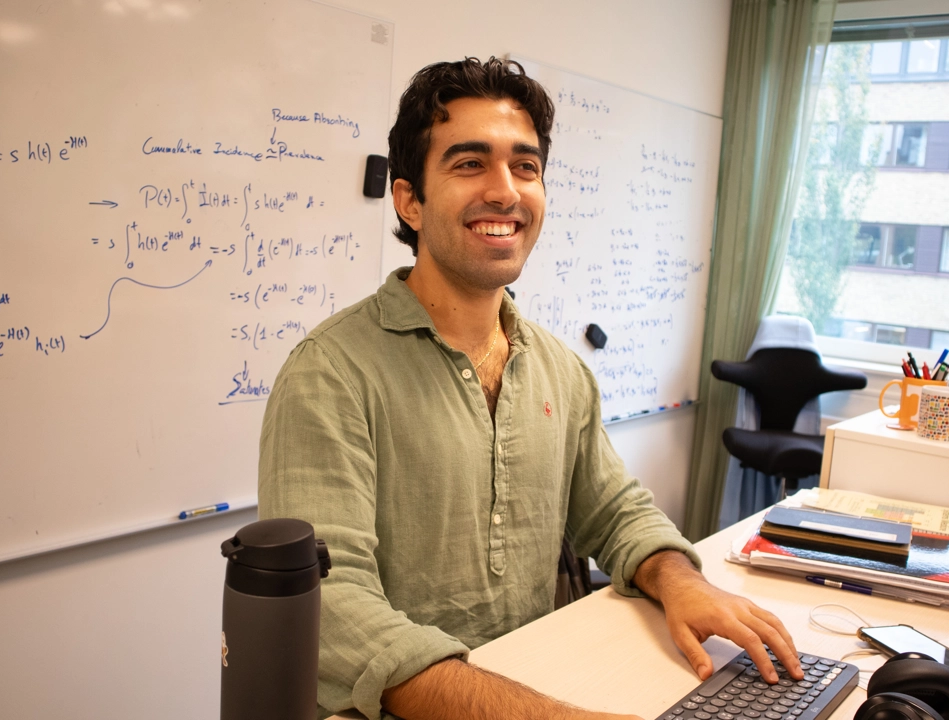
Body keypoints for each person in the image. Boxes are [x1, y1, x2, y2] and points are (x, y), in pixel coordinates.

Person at [258, 57, 801, 720]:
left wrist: (681, 581)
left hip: (535, 680)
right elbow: (333, 607)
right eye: (469, 163)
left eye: (525, 166)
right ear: (409, 201)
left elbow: (617, 511)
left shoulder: (559, 369)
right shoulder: (329, 374)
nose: (505, 191)